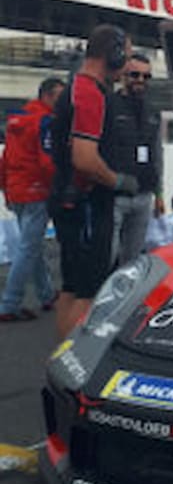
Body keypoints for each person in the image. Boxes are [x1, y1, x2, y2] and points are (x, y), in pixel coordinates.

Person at [48, 24, 137, 338]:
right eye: (124, 57)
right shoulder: (90, 93)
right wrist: (118, 181)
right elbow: (84, 159)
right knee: (87, 290)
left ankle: (61, 359)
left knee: (71, 286)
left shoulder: (76, 86)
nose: (127, 65)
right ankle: (73, 368)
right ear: (111, 55)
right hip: (85, 202)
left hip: (68, 197)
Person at [0, 77, 65, 321]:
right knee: (28, 249)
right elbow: (47, 162)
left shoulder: (17, 121)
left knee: (32, 247)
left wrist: (6, 189)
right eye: (59, 96)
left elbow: (5, 159)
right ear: (47, 96)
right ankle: (9, 304)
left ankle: (46, 294)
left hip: (17, 190)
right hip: (37, 191)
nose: (63, 101)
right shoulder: (46, 121)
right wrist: (57, 188)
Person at [107, 52, 164, 266]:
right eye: (135, 75)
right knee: (106, 257)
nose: (140, 80)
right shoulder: (109, 105)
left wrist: (159, 194)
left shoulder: (152, 112)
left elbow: (157, 154)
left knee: (132, 262)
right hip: (114, 196)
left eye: (146, 76)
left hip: (143, 195)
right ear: (123, 75)